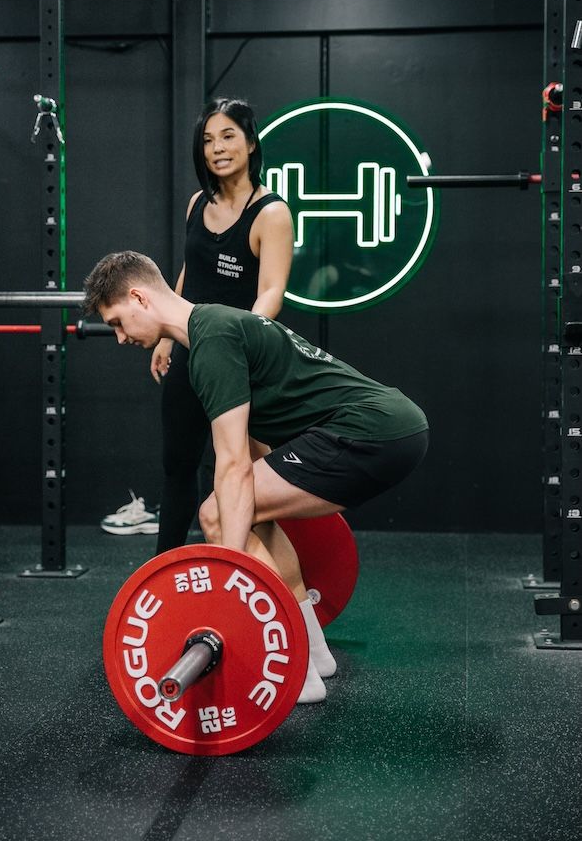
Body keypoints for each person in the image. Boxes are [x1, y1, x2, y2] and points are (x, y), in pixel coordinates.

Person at [83, 251, 429, 703]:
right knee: (251, 514)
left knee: (217, 513)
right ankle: (313, 655)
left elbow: (230, 467)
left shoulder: (213, 343)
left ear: (137, 297)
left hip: (371, 431)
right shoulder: (215, 328)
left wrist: (232, 586)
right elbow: (253, 455)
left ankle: (294, 673)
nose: (120, 337)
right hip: (391, 427)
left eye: (116, 322)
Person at [100, 98, 293, 543]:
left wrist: (237, 340)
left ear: (250, 141)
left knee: (239, 468)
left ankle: (245, 573)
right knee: (178, 464)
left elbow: (272, 292)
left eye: (228, 136)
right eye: (207, 140)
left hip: (241, 357)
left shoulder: (271, 213)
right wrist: (168, 337)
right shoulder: (196, 205)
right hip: (190, 349)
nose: (217, 148)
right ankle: (166, 571)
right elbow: (191, 272)